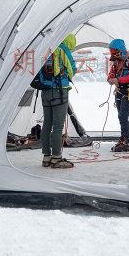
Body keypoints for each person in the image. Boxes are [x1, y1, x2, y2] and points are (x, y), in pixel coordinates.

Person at [40, 34, 77, 168]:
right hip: (60, 91)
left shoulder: (47, 49)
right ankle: (57, 157)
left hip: (45, 92)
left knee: (47, 124)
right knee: (58, 126)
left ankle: (46, 156)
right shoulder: (63, 50)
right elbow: (73, 69)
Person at [107, 39, 129, 152]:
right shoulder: (116, 61)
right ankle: (125, 138)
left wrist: (118, 80)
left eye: (113, 50)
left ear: (119, 49)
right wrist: (110, 78)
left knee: (122, 116)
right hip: (119, 91)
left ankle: (126, 139)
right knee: (121, 117)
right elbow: (112, 72)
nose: (111, 53)